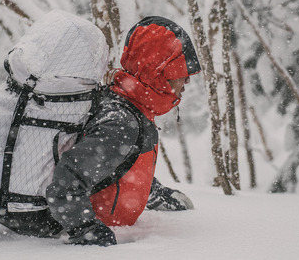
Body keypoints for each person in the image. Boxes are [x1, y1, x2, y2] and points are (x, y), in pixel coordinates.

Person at [45, 16, 201, 246]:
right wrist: (85, 230)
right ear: (155, 72)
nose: (186, 80)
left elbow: (116, 167)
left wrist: (151, 192)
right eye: (178, 71)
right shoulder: (121, 122)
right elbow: (65, 183)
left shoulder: (130, 107)